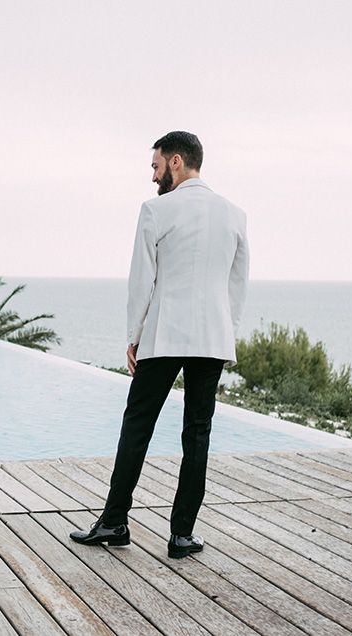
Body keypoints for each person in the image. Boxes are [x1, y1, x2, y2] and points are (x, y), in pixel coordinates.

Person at [70, 131, 249, 558]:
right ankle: (182, 535)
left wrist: (133, 336)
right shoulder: (235, 214)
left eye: (155, 166)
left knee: (137, 427)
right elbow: (236, 285)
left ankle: (114, 521)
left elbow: (141, 281)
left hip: (164, 334)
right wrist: (227, 332)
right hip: (212, 339)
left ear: (175, 162)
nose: (152, 177)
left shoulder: (155, 209)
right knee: (198, 435)